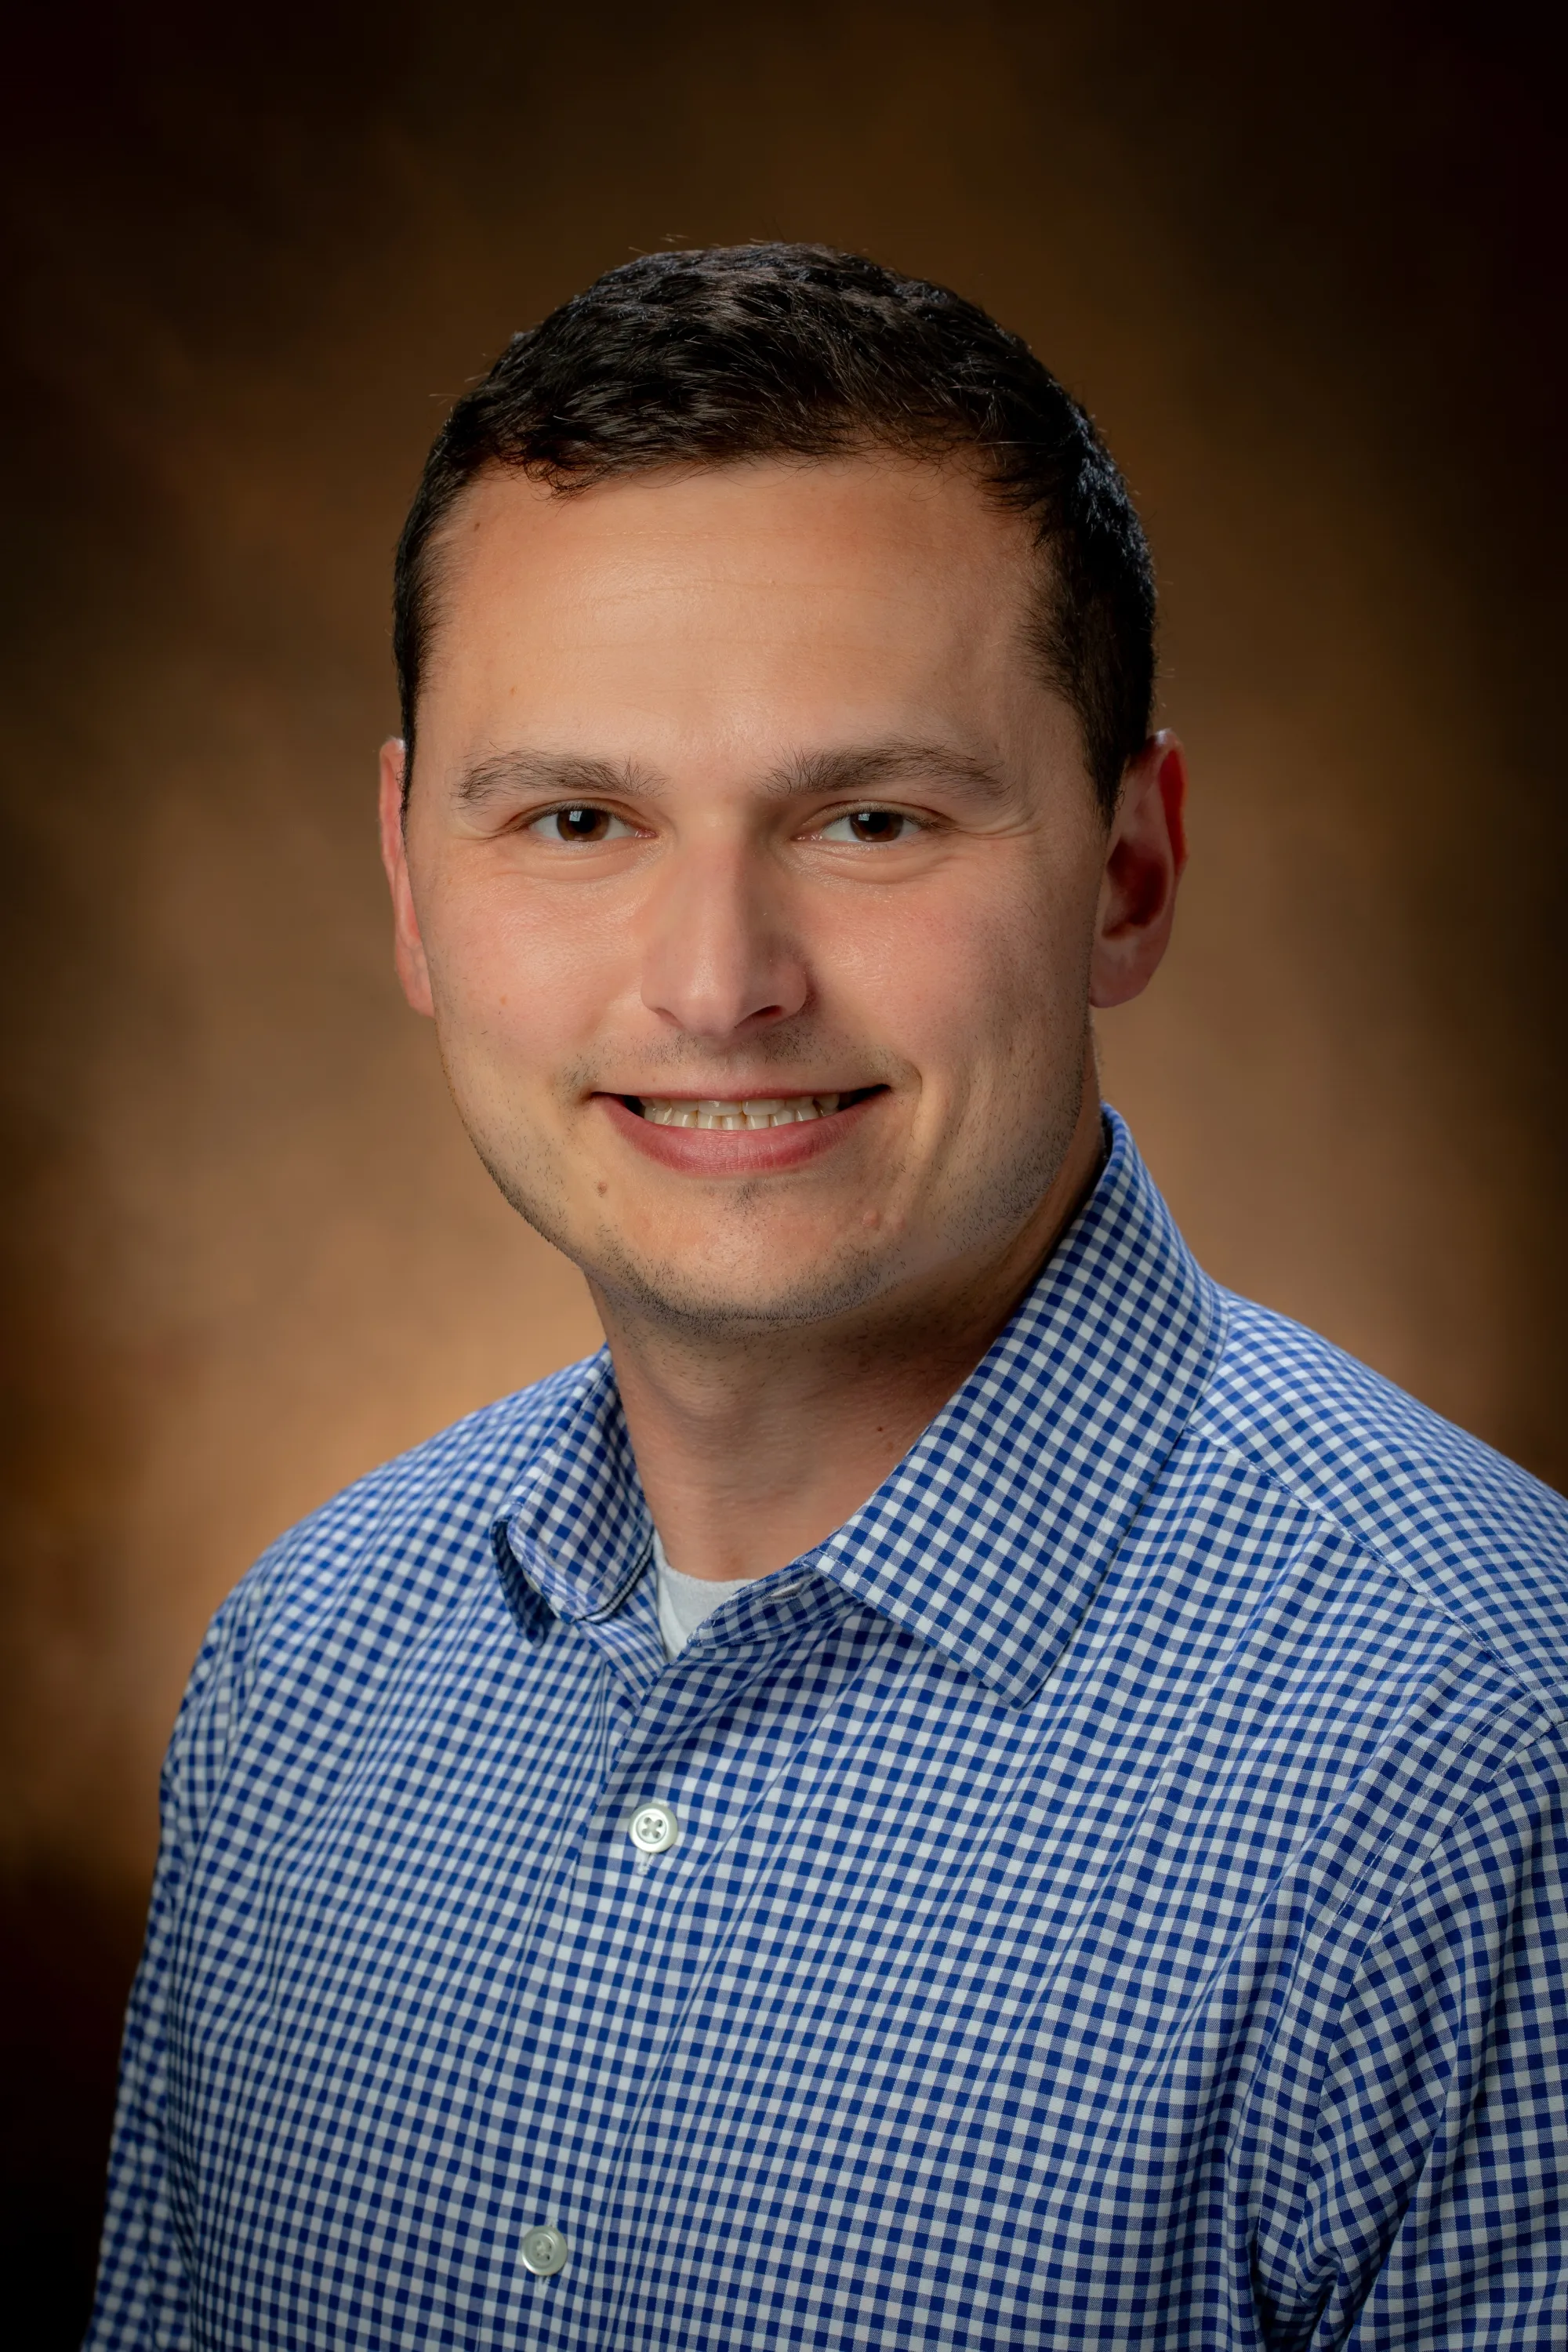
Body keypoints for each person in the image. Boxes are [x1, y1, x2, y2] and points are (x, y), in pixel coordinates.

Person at [87, 245, 1568, 2352]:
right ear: (415, 879)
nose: (717, 984)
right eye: (578, 815)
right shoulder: (302, 1681)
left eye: (870, 817)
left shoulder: (1494, 1763)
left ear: (1131, 871)